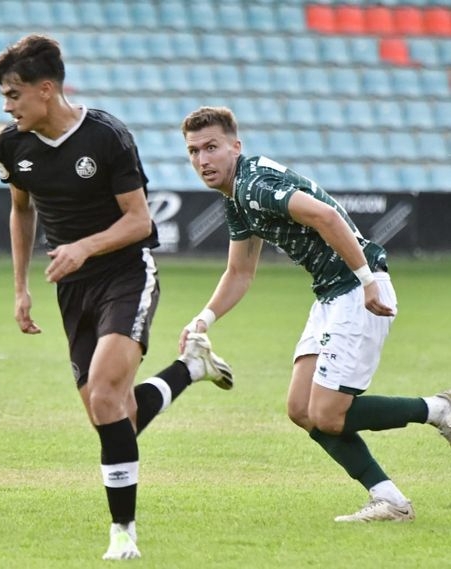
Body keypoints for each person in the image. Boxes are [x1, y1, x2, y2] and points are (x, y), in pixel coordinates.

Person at [0, 35, 234, 561]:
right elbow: (21, 210)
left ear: (46, 89)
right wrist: (20, 288)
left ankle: (123, 531)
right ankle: (189, 370)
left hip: (127, 273)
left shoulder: (106, 136)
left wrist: (82, 247)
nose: (7, 107)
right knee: (112, 414)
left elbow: (139, 221)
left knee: (104, 396)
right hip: (72, 288)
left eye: (13, 94)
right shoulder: (11, 145)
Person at [179, 105, 451, 522]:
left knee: (327, 412)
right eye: (194, 151)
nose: (202, 160)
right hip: (330, 293)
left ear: (236, 147)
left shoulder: (253, 184)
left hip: (356, 290)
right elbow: (240, 271)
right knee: (302, 409)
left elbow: (325, 215)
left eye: (211, 147)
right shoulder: (236, 197)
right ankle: (391, 500)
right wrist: (203, 319)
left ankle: (437, 409)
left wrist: (367, 280)